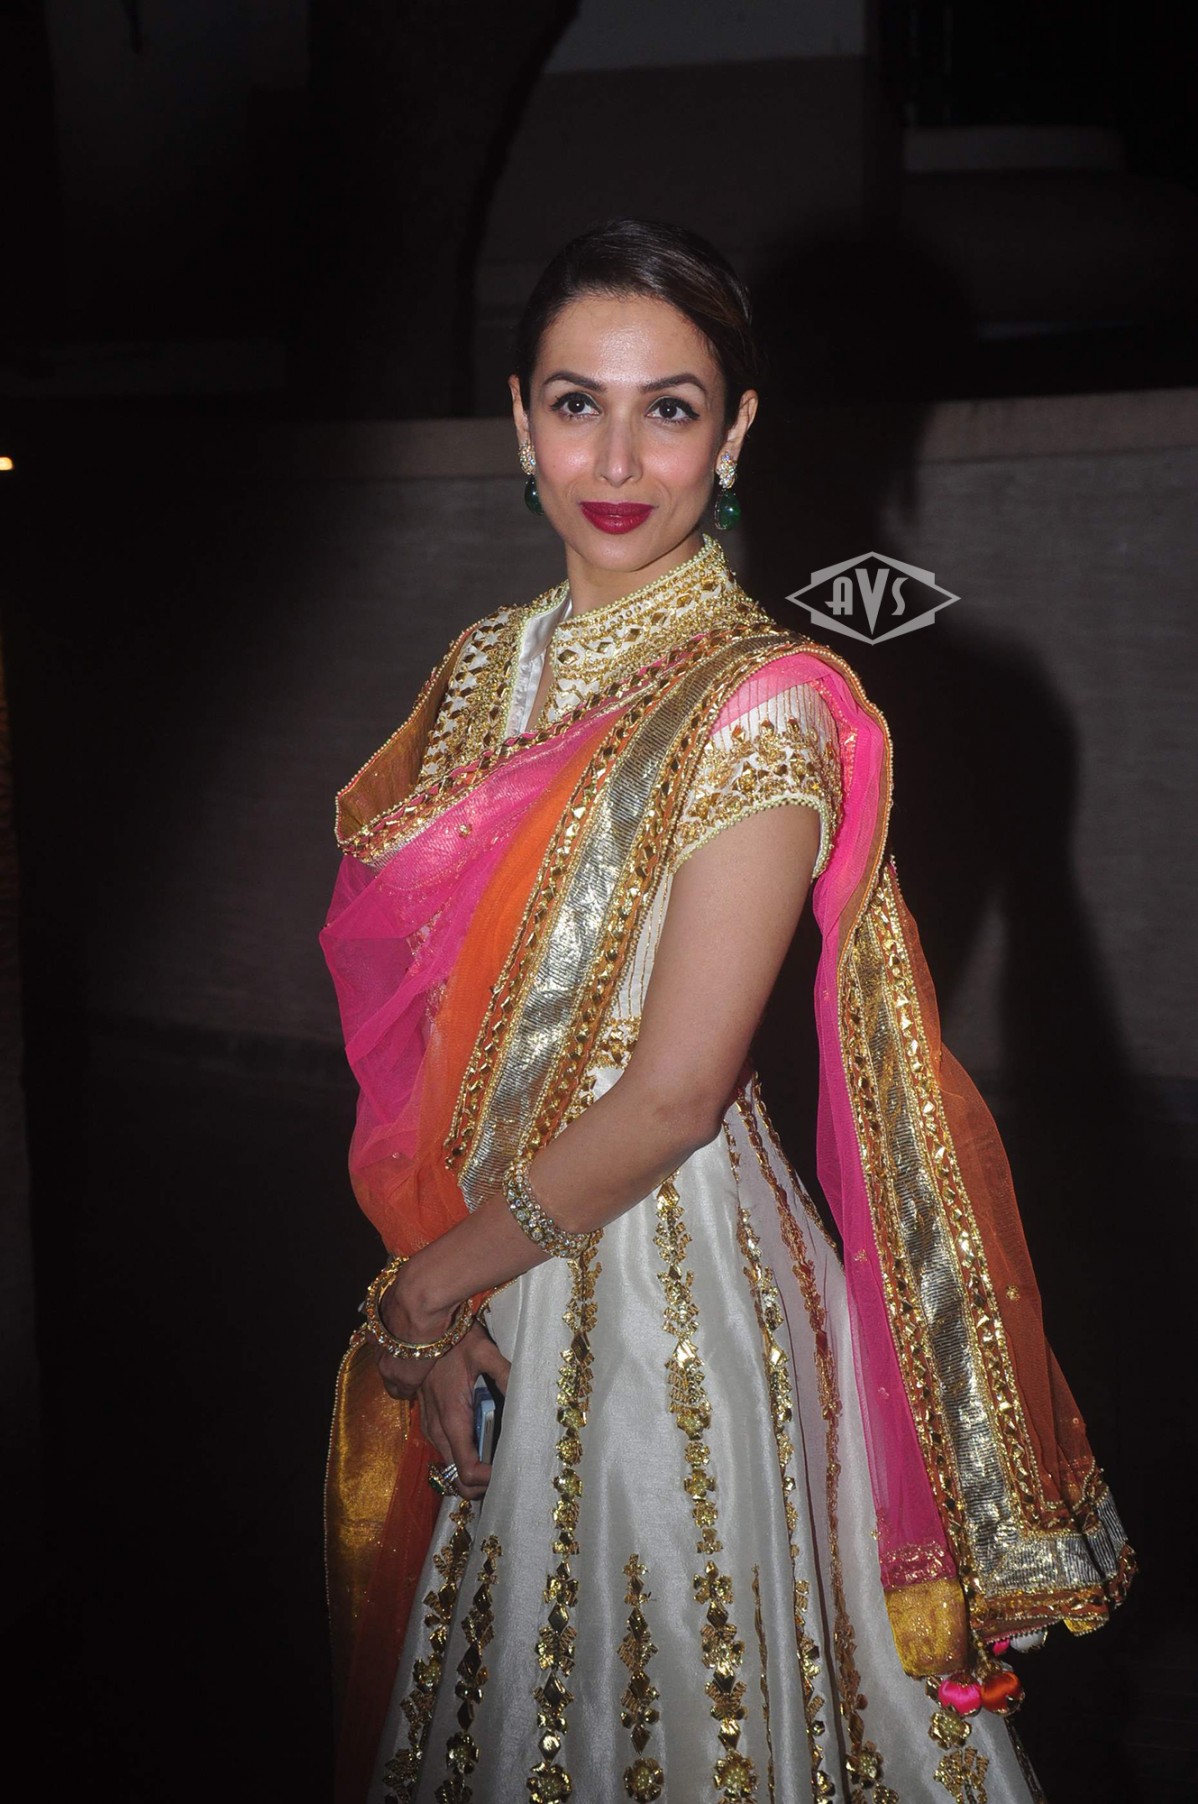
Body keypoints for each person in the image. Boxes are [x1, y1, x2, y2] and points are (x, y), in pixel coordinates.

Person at [320, 219, 1132, 1804]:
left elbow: (675, 1092)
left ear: (735, 431)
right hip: (477, 1250)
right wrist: (440, 1283)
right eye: (577, 403)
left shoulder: (759, 704)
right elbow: (425, 1023)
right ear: (519, 421)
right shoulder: (483, 672)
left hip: (659, 1284)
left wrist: (423, 1294)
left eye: (670, 408)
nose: (618, 459)